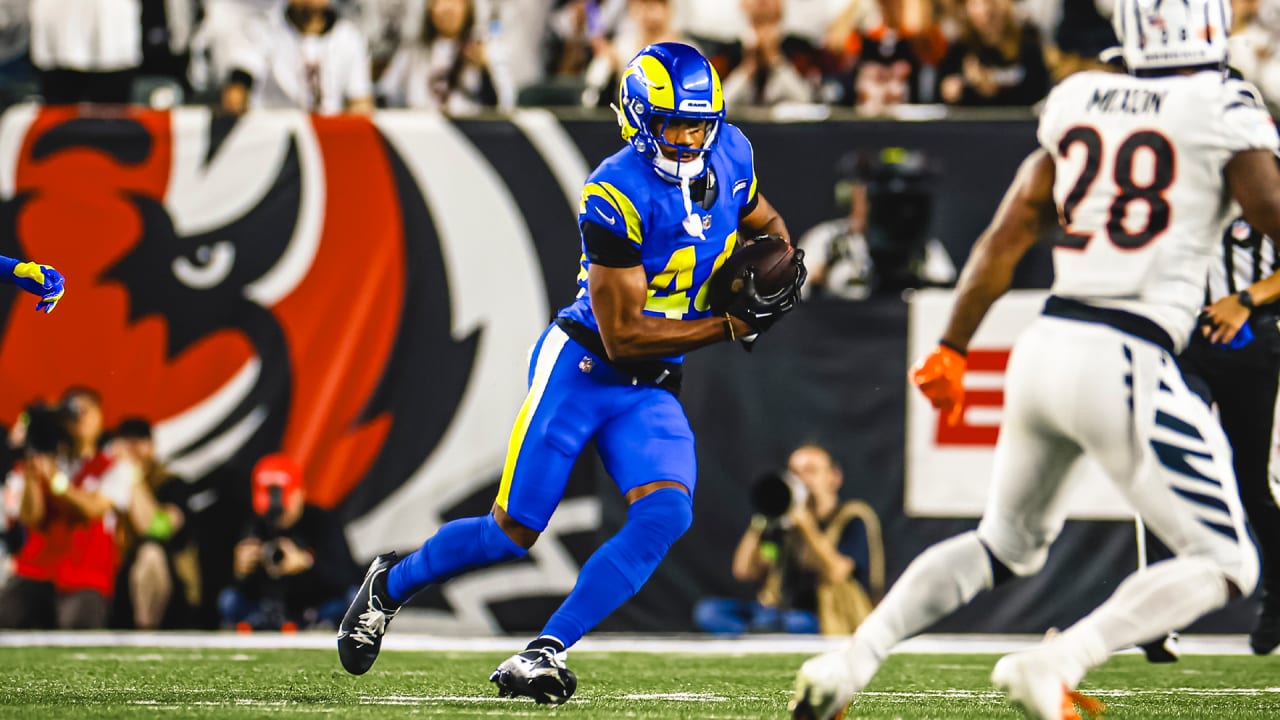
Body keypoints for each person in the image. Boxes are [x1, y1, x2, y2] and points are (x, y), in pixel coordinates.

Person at [790, 0, 1280, 715]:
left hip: (1045, 345)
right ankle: (1059, 660)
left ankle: (851, 659)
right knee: (1228, 562)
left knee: (1003, 544)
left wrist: (953, 348)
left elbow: (1007, 234)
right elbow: (1271, 210)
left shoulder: (1082, 96)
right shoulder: (1222, 102)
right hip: (1129, 354)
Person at [337, 41, 806, 705]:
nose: (690, 138)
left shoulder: (733, 154)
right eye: (675, 124)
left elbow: (764, 220)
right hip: (585, 365)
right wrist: (731, 325)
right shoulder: (614, 190)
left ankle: (543, 650)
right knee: (514, 532)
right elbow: (624, 336)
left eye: (700, 123)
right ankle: (391, 583)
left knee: (666, 512)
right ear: (640, 121)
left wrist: (776, 261)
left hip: (652, 383)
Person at [1176, 214, 1280, 655]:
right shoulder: (1178, 179)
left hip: (1250, 339)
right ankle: (1162, 612)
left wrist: (1243, 300)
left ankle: (1276, 598)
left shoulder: (1264, 180)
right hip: (1181, 339)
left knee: (1251, 481)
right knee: (1172, 464)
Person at [694, 444, 882, 636]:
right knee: (709, 611)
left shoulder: (851, 518)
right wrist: (763, 517)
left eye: (811, 471)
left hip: (824, 616)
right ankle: (757, 632)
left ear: (834, 477)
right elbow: (744, 571)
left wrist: (807, 527)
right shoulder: (784, 523)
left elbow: (836, 572)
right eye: (794, 472)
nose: (802, 479)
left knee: (786, 623)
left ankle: (755, 634)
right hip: (778, 610)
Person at [218, 453, 358, 630]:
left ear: (300, 493)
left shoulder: (321, 521)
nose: (278, 514)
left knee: (352, 599)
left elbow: (347, 577)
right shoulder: (254, 526)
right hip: (267, 608)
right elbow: (233, 587)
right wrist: (240, 571)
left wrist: (305, 562)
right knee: (228, 599)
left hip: (316, 606)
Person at [797, 148, 955, 301]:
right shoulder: (826, 241)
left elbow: (943, 297)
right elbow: (800, 300)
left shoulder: (924, 248)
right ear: (851, 191)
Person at [109, 417, 197, 630]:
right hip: (114, 580)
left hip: (169, 585)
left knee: (151, 553)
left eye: (138, 442)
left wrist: (134, 478)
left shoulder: (171, 484)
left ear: (151, 446)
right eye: (126, 443)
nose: (132, 450)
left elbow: (155, 528)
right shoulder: (106, 480)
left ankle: (145, 633)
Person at [221, 0, 374, 114]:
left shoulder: (349, 37)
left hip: (328, 142)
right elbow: (237, 90)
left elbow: (359, 103)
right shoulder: (263, 29)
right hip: (274, 138)